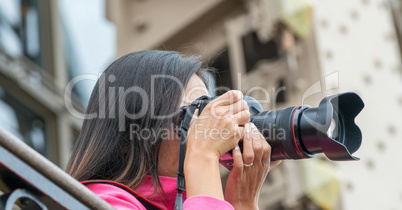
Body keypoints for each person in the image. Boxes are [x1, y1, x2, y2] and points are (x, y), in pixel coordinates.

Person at [66, 50, 281, 210]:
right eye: (189, 117)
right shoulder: (96, 203)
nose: (205, 133)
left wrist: (243, 203)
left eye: (206, 117)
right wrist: (202, 159)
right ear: (127, 138)